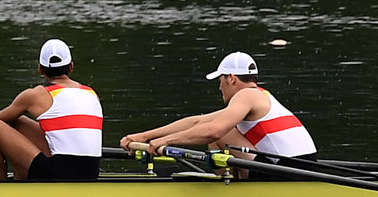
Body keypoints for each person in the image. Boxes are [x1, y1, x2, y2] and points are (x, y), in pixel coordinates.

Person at [118, 52, 316, 172]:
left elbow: (213, 131)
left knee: (219, 133)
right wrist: (143, 136)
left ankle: (227, 192)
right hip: (300, 166)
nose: (219, 87)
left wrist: (166, 141)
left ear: (231, 78)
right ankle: (229, 183)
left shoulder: (246, 95)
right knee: (213, 128)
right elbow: (197, 122)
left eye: (220, 80)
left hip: (292, 171)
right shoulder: (258, 96)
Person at [0, 39, 102, 182]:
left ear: (40, 69)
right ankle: (20, 179)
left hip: (60, 172)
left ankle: (1, 191)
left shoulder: (36, 94)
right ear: (71, 67)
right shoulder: (91, 93)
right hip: (90, 171)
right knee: (15, 122)